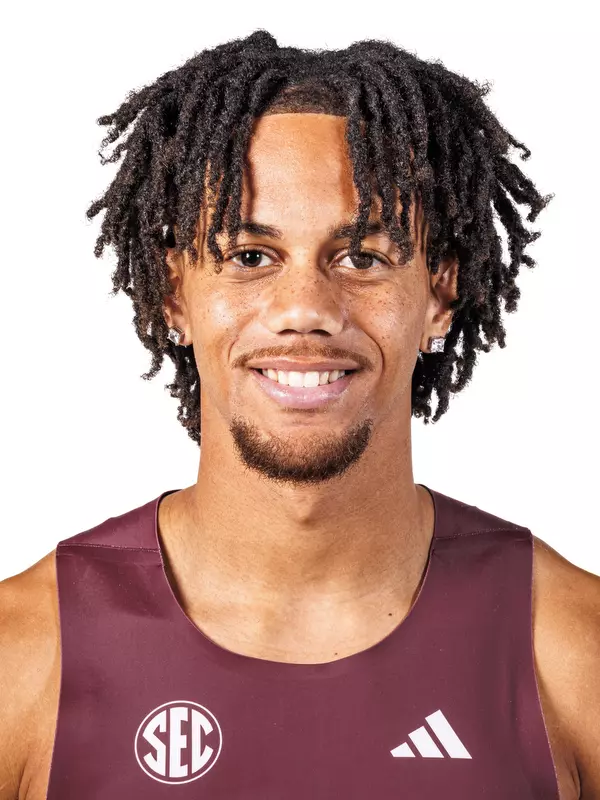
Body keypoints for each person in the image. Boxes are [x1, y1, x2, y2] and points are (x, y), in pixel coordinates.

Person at [0, 29, 598, 800]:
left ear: (440, 294)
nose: (305, 309)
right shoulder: (24, 657)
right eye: (251, 257)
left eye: (362, 257)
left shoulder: (572, 652)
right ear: (175, 295)